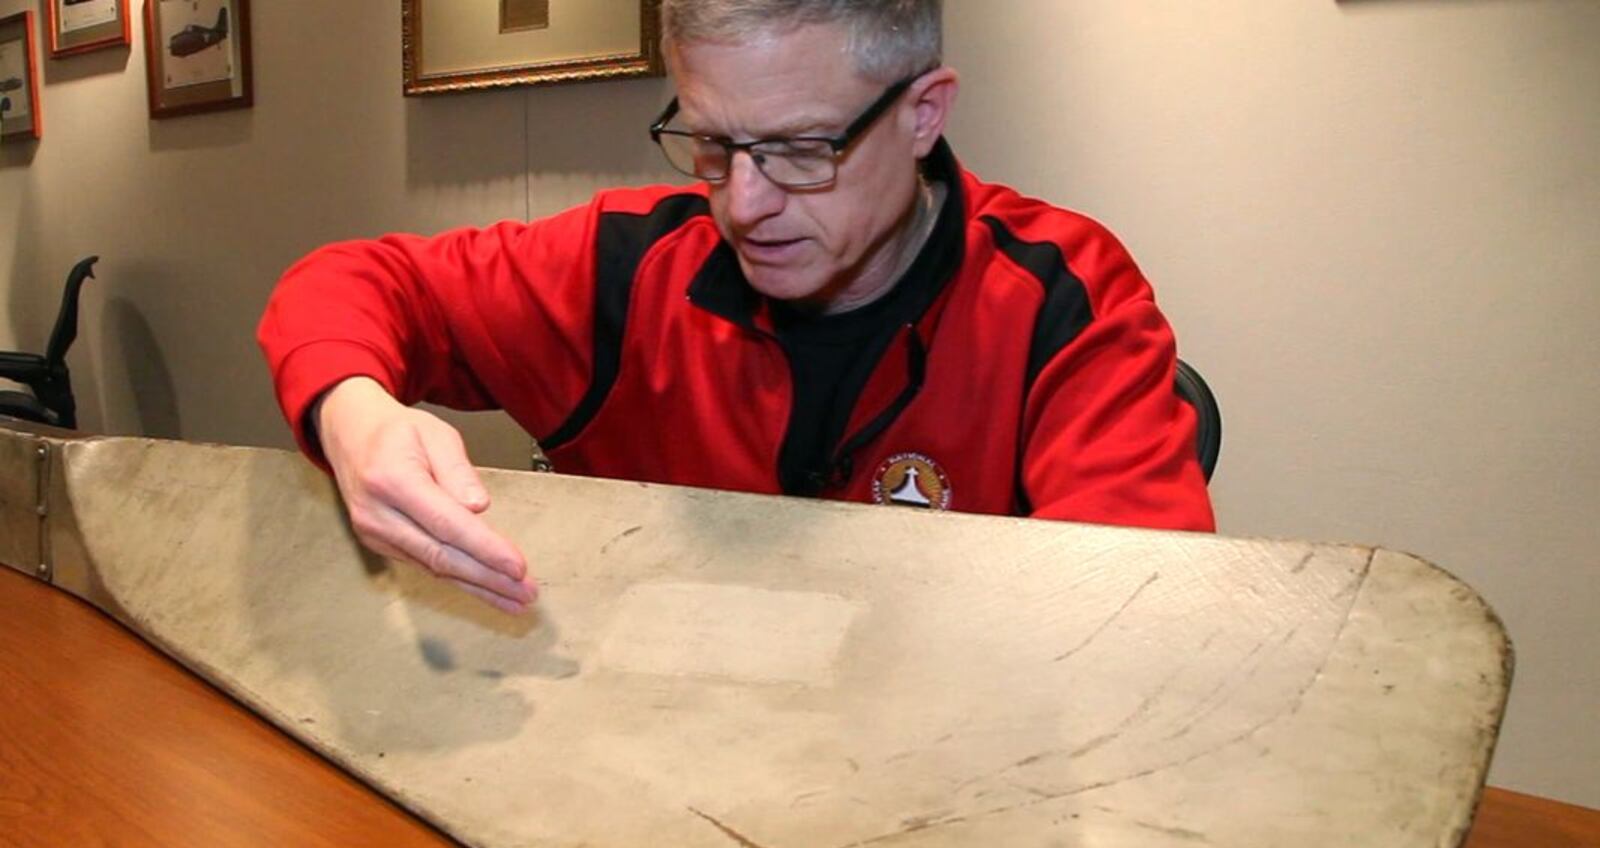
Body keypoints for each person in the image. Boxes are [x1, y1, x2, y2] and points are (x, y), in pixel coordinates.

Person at [257, 0, 1215, 616]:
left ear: (925, 112)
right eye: (713, 143)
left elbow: (1140, 625)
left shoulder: (1060, 297)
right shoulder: (625, 265)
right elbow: (351, 282)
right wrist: (354, 408)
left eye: (804, 148)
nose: (745, 204)